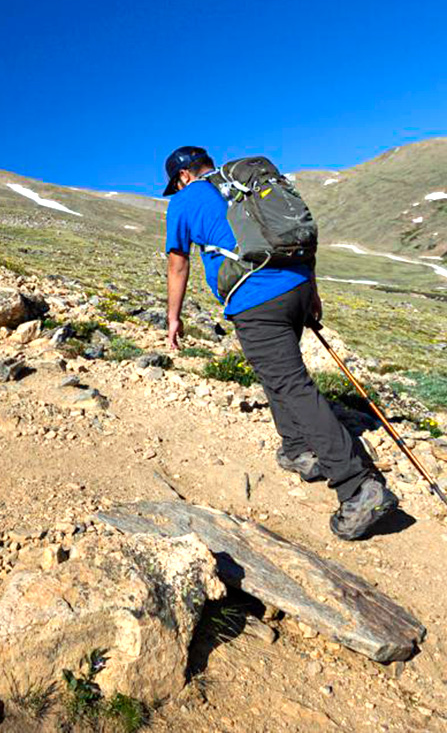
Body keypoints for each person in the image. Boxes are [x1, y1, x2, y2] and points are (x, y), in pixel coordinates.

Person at [162, 146, 397, 540]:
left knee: (291, 382)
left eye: (176, 182)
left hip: (256, 298)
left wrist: (173, 318)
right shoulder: (243, 184)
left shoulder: (184, 202)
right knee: (279, 374)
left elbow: (177, 263)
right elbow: (299, 235)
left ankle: (359, 485)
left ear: (183, 176)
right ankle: (298, 450)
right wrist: (313, 293)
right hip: (298, 285)